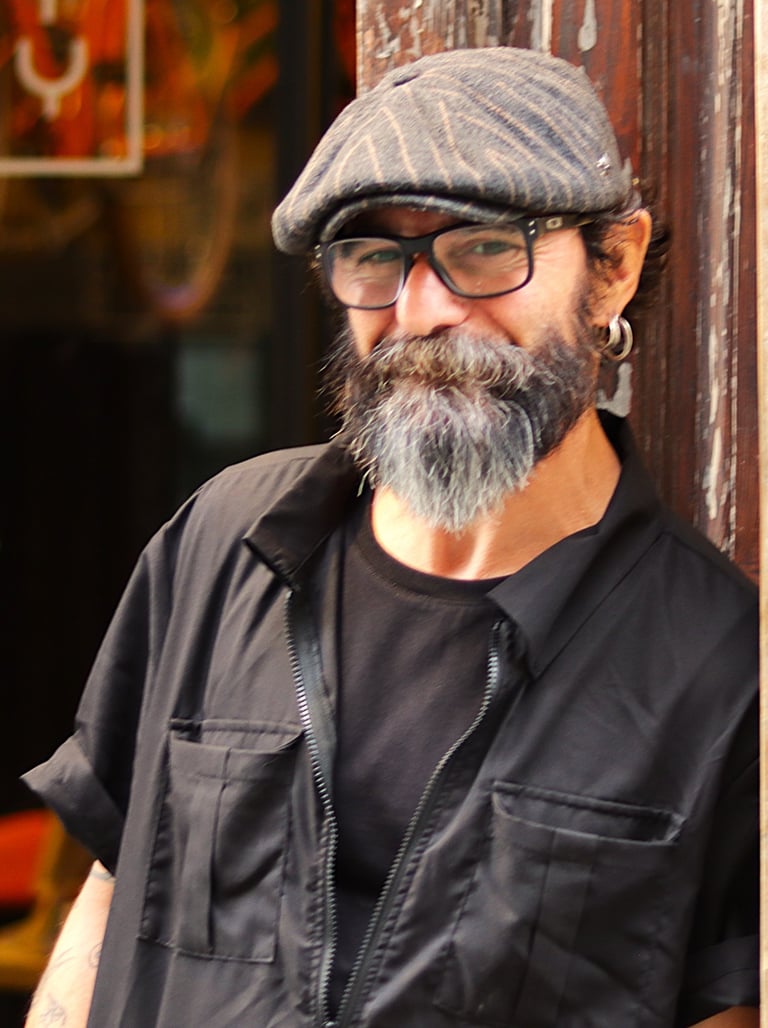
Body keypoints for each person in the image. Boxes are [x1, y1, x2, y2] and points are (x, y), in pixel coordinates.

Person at [23, 47, 758, 1028]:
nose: (423, 310)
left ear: (613, 265)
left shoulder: (723, 666)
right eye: (374, 256)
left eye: (486, 247)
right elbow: (110, 897)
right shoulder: (224, 540)